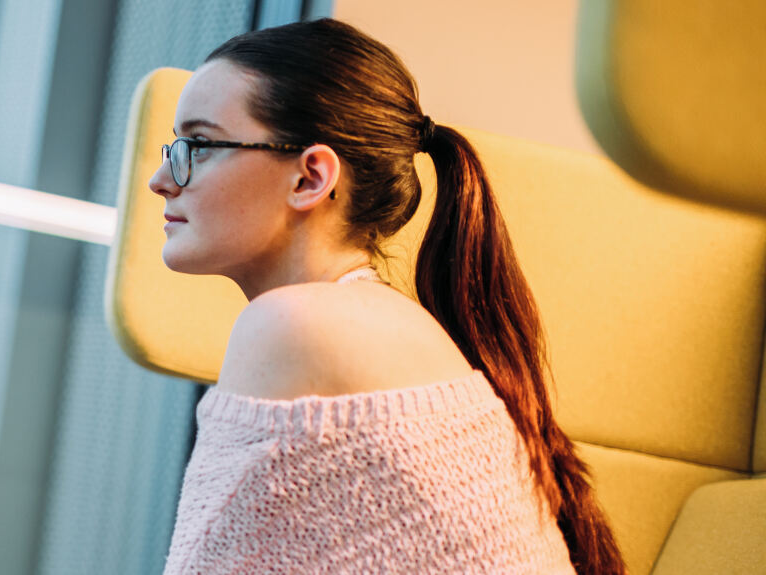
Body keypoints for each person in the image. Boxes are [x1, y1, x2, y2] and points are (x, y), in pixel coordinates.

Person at [151, 18, 624, 574]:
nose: (163, 177)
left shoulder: (294, 326)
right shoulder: (375, 320)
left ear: (310, 178)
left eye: (200, 145)